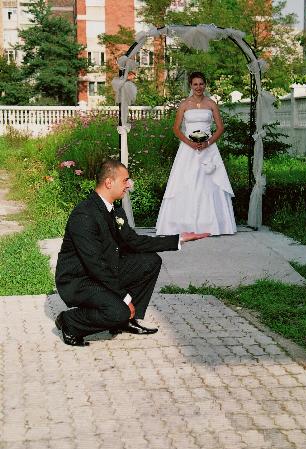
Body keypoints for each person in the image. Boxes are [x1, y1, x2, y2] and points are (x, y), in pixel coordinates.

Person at [55, 159, 209, 346]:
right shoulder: (84, 215)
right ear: (109, 182)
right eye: (125, 180)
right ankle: (70, 322)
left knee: (150, 262)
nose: (129, 184)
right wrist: (124, 298)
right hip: (79, 280)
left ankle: (125, 321)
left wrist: (179, 239)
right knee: (118, 310)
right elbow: (95, 264)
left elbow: (134, 242)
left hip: (102, 271)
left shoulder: (116, 211)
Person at [156, 71, 237, 236]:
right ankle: (183, 224)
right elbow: (176, 129)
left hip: (209, 149)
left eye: (201, 84)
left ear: (205, 85)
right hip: (188, 150)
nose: (198, 87)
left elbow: (220, 128)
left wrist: (207, 142)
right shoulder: (184, 104)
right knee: (186, 182)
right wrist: (190, 143)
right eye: (195, 84)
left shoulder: (211, 103)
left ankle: (213, 224)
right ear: (190, 86)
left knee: (210, 184)